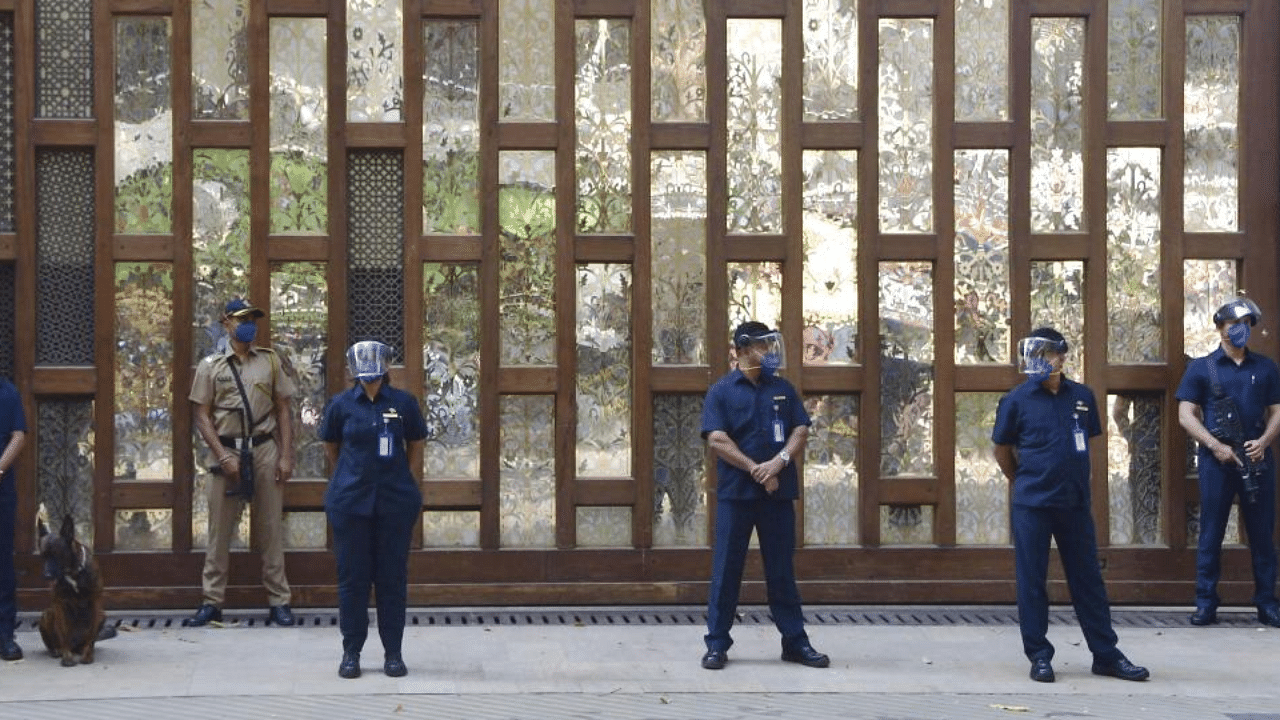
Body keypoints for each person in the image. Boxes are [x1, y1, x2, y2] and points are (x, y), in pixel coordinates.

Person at [992, 327, 1148, 683]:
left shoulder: (1082, 396)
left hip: (1074, 504)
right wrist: (1022, 480)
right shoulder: (1016, 400)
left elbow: (1087, 442)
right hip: (1032, 504)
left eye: (1045, 355)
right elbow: (1001, 450)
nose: (1039, 362)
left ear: (1061, 357)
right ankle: (1039, 656)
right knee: (1032, 581)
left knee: (1088, 580)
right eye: (1034, 355)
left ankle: (1106, 655)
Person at [699, 321, 828, 670]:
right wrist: (757, 470)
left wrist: (779, 462)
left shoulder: (783, 389)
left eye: (770, 346)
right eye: (761, 346)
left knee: (781, 571)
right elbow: (717, 439)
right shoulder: (722, 391)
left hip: (777, 495)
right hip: (736, 496)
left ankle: (795, 642)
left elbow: (800, 430)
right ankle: (717, 644)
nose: (769, 353)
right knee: (726, 571)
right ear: (741, 350)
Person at [184, 299, 297, 627]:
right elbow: (201, 415)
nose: (248, 324)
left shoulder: (270, 361)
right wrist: (221, 454)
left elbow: (284, 410)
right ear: (226, 323)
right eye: (241, 318)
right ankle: (212, 601)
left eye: (252, 318)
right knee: (219, 530)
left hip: (263, 449)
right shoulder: (211, 366)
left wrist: (286, 456)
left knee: (271, 528)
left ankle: (279, 601)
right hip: (227, 453)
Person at [320, 341, 427, 679]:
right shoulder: (340, 405)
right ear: (354, 373)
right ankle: (351, 652)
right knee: (352, 580)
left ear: (385, 371)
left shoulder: (403, 403)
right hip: (350, 503)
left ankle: (393, 653)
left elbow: (416, 443)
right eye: (364, 376)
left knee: (392, 579)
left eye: (375, 376)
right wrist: (350, 477)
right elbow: (331, 446)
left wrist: (401, 477)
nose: (369, 381)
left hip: (395, 502)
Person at [1175, 296, 1280, 628]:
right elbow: (1185, 414)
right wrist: (1213, 444)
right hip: (1216, 461)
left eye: (1246, 326)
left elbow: (1277, 410)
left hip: (1257, 459)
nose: (1241, 331)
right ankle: (1206, 603)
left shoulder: (1266, 367)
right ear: (1220, 327)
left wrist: (1264, 442)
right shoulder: (1202, 367)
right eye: (1235, 325)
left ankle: (1267, 602)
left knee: (1262, 534)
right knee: (1211, 533)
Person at [0, 375, 27, 661]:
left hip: (1, 490)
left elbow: (18, 436)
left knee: (3, 562)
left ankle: (5, 634)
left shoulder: (8, 392)